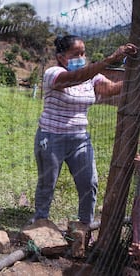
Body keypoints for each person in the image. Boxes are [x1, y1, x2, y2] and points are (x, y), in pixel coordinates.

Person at [32, 35, 138, 225]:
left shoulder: (93, 76)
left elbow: (111, 88)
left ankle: (84, 226)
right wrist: (109, 60)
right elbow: (73, 78)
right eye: (76, 54)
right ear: (62, 57)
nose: (81, 57)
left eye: (83, 53)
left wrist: (135, 78)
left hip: (80, 139)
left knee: (89, 182)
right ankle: (40, 222)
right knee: (48, 183)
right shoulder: (53, 73)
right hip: (51, 137)